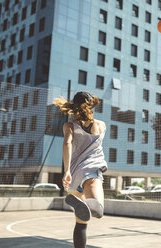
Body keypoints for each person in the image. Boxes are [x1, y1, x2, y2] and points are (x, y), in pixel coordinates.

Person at [53, 91, 107, 248]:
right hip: (91, 172)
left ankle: (81, 204)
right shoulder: (101, 125)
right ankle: (86, 204)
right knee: (98, 210)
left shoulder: (69, 125)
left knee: (81, 224)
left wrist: (67, 170)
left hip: (75, 174)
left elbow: (67, 143)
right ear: (92, 105)